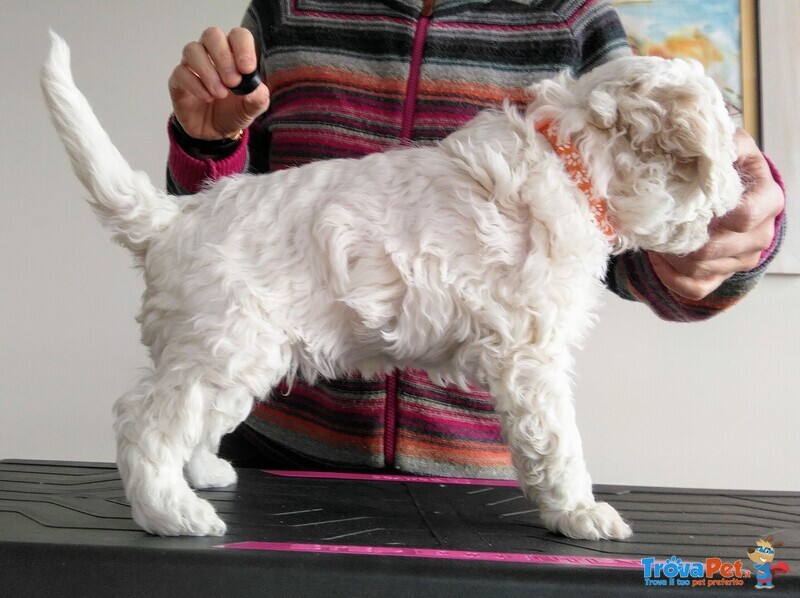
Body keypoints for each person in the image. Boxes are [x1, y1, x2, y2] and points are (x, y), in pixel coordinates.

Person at [165, 0, 785, 478]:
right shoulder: (287, 9)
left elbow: (631, 250)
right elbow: (239, 224)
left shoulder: (573, 19)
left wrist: (726, 245)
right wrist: (207, 148)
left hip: (479, 480)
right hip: (277, 454)